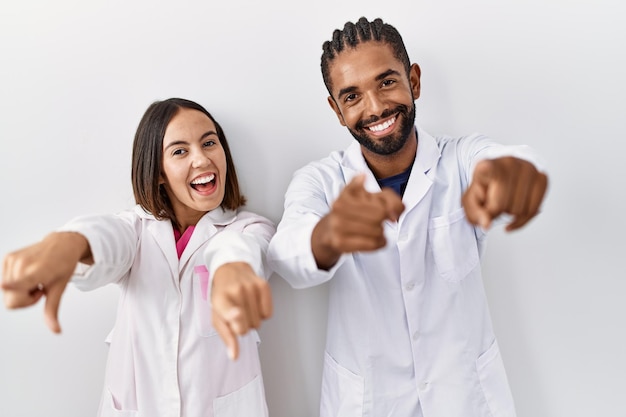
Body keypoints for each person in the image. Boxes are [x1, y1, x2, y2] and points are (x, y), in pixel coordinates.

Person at [267, 17, 548, 417]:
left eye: (386, 82)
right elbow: (287, 251)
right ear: (336, 109)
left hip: (465, 399)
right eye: (352, 97)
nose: (376, 107)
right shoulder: (320, 181)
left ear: (414, 80)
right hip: (368, 402)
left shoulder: (462, 159)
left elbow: (507, 160)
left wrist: (514, 175)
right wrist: (328, 236)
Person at [1, 98, 275, 417]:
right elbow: (107, 236)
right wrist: (70, 243)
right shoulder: (136, 230)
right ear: (158, 173)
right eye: (180, 151)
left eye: (209, 143)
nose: (201, 160)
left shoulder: (249, 229)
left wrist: (233, 269)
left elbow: (243, 251)